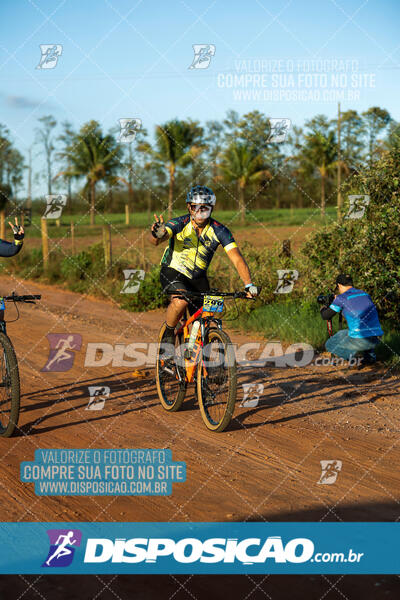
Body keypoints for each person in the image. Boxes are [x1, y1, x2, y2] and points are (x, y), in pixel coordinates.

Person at [149, 185, 259, 350]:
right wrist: (157, 234)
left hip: (198, 278)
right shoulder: (180, 223)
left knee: (208, 312)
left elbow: (237, 258)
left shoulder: (219, 230)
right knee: (180, 301)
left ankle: (204, 361)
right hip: (173, 271)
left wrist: (249, 285)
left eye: (205, 207)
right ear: (189, 207)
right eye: (195, 207)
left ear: (211, 208)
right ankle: (168, 334)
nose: (200, 211)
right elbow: (160, 238)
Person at [320, 274, 383, 365]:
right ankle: (370, 358)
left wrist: (323, 307)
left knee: (329, 344)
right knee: (365, 328)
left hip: (361, 340)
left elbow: (325, 316)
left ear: (339, 285)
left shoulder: (341, 298)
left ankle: (352, 359)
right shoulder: (365, 294)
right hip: (377, 338)